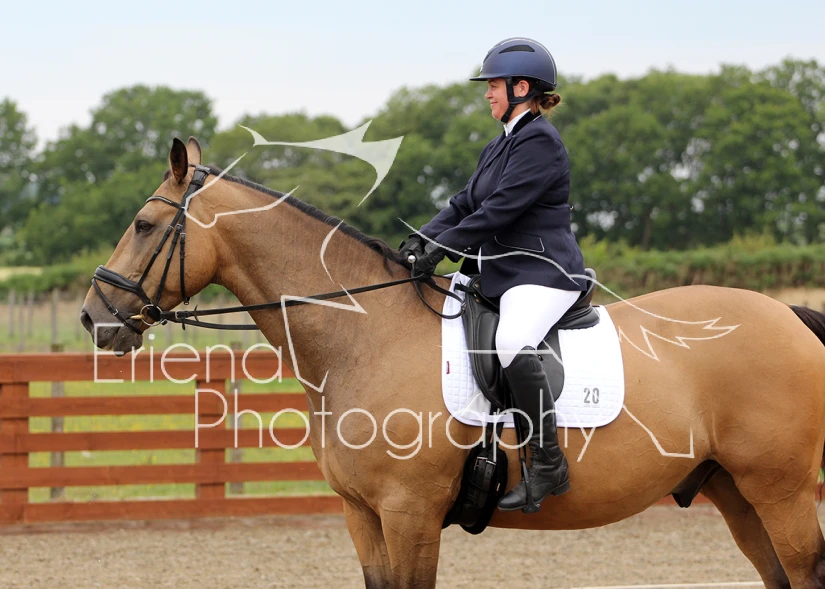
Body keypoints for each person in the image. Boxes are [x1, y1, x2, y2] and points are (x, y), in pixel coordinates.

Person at [399, 37, 587, 513]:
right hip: (502, 273)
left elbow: (501, 209)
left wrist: (444, 249)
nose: (487, 93)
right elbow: (465, 203)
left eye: (494, 85)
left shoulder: (540, 141)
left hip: (541, 272)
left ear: (521, 88)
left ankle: (548, 463)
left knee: (512, 342)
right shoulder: (499, 144)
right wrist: (421, 239)